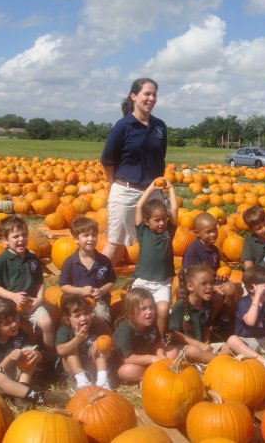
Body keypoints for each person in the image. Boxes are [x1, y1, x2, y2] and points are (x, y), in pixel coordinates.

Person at [100, 78, 167, 265]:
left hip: (153, 193)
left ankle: (149, 280)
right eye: (147, 93)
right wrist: (114, 185)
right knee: (116, 244)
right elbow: (108, 161)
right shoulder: (122, 127)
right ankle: (98, 285)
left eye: (154, 94)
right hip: (126, 191)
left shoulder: (160, 127)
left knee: (156, 240)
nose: (151, 98)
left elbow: (159, 158)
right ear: (134, 96)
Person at [0, 298, 69, 407]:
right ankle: (38, 396)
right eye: (7, 323)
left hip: (15, 377)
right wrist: (9, 358)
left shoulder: (20, 334)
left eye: (14, 318)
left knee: (29, 352)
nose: (14, 324)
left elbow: (35, 354)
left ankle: (21, 392)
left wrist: (37, 355)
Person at [0, 215, 56, 361]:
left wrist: (39, 298)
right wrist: (12, 296)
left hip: (32, 304)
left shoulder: (33, 259)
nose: (21, 239)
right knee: (10, 329)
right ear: (5, 240)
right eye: (16, 236)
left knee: (47, 322)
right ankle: (10, 358)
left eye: (24, 235)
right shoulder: (1, 261)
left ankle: (51, 358)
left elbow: (39, 282)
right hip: (10, 307)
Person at [133, 178, 178, 338]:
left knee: (163, 310)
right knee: (137, 310)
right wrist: (151, 188)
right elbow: (139, 206)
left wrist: (171, 189)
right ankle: (139, 336)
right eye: (156, 220)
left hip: (162, 284)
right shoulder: (143, 232)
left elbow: (174, 209)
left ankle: (158, 338)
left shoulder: (168, 233)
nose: (161, 223)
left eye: (164, 219)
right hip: (143, 281)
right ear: (147, 221)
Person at [182, 212, 242, 328]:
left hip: (212, 284)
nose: (213, 234)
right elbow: (189, 276)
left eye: (215, 230)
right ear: (197, 233)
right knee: (219, 298)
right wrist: (212, 287)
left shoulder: (214, 250)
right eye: (208, 232)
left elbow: (215, 271)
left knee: (232, 288)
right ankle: (207, 325)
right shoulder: (192, 250)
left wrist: (221, 277)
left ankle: (223, 319)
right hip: (197, 287)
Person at [59, 216, 116, 323]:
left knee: (101, 316)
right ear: (76, 239)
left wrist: (101, 291)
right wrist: (79, 291)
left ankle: (102, 336)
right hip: (76, 300)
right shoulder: (70, 262)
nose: (91, 239)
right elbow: (63, 286)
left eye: (94, 235)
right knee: (75, 318)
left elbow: (111, 282)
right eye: (86, 235)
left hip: (98, 301)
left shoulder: (104, 261)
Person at [113, 288, 178, 383]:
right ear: (130, 312)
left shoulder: (150, 322)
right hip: (133, 363)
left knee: (173, 351)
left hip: (149, 358)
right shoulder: (124, 331)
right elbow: (126, 359)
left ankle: (158, 370)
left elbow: (158, 342)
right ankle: (151, 375)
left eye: (151, 307)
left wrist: (161, 354)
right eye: (143, 309)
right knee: (125, 371)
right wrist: (151, 359)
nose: (149, 312)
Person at [169, 265, 231, 364]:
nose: (210, 287)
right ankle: (220, 362)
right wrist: (199, 345)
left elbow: (206, 329)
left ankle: (210, 360)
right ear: (190, 286)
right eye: (204, 283)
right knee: (193, 351)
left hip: (201, 346)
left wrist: (206, 344)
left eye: (211, 283)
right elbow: (174, 333)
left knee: (228, 347)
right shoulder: (179, 306)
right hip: (182, 347)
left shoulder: (206, 305)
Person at [55, 294, 112, 390]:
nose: (83, 318)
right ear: (67, 320)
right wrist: (77, 340)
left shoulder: (96, 325)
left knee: (100, 344)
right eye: (77, 316)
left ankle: (103, 381)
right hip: (72, 369)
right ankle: (82, 382)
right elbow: (60, 351)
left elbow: (110, 341)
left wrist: (107, 349)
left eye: (86, 314)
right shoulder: (64, 329)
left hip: (91, 367)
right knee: (71, 349)